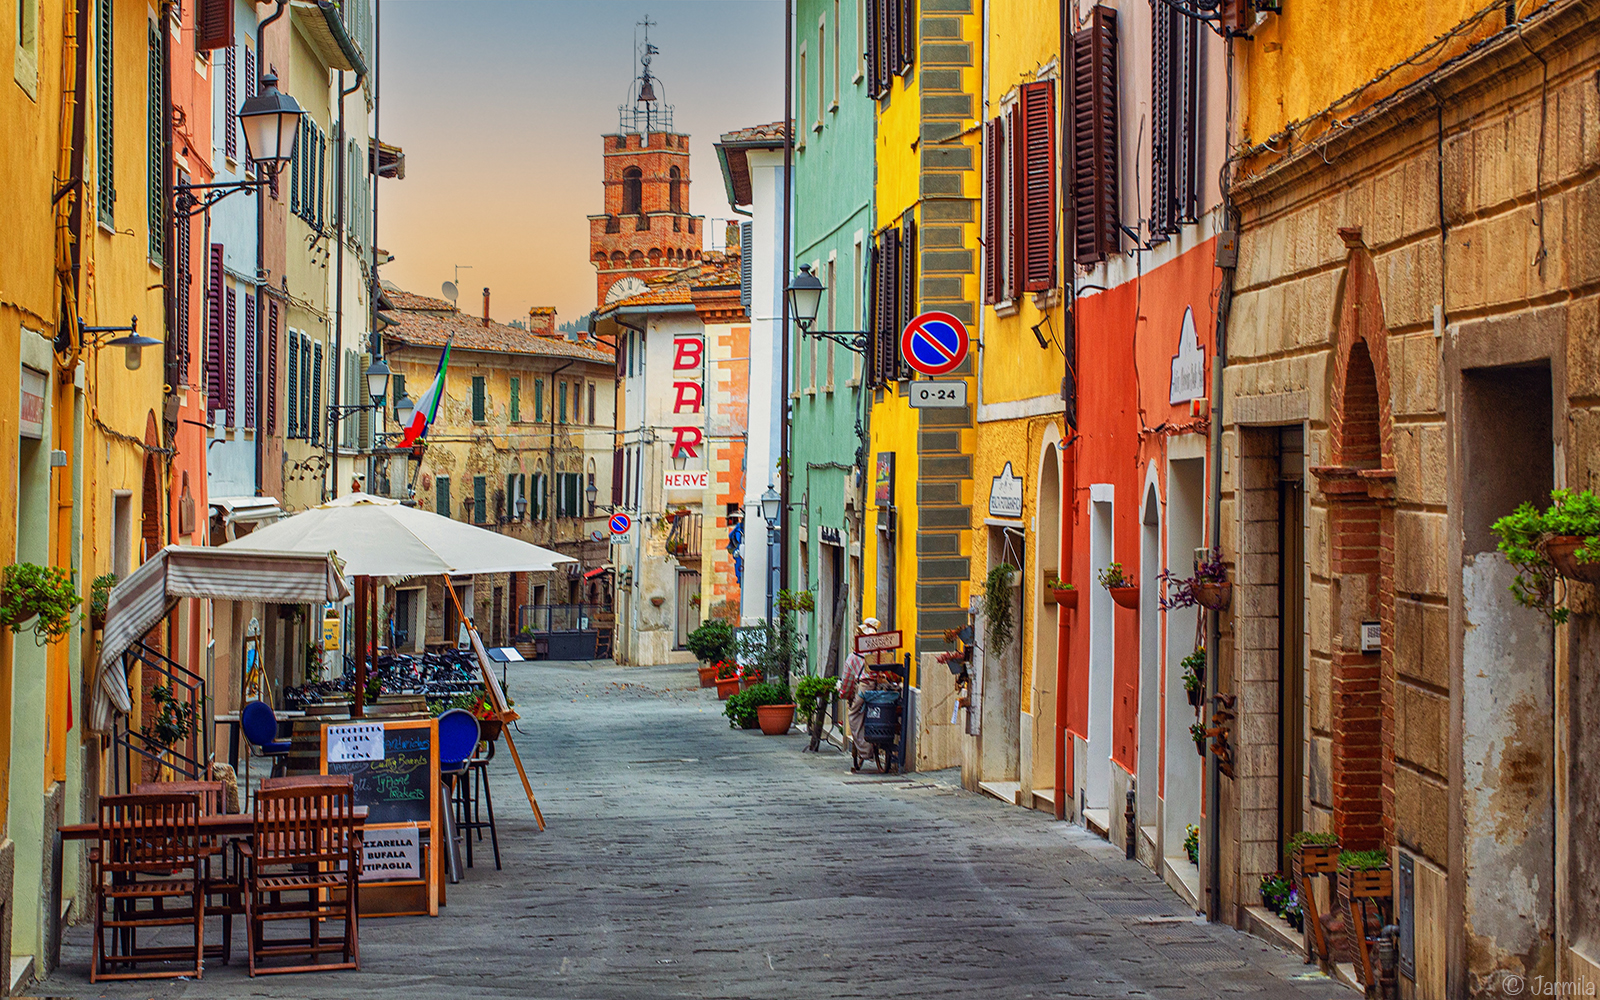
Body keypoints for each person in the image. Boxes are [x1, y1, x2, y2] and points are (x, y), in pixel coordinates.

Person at [842, 618, 883, 758]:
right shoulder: (882, 652)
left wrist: (844, 693)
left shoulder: (854, 657)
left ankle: (865, 751)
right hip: (882, 688)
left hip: (865, 688)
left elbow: (847, 680)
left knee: (854, 715)